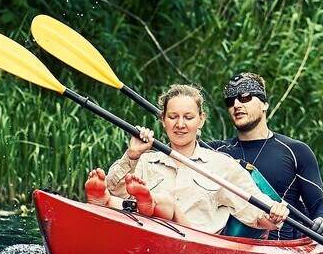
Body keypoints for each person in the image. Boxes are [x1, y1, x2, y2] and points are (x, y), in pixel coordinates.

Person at [100, 83, 289, 234]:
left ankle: (157, 203)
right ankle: (101, 199)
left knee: (165, 203)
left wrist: (274, 214)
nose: (180, 124)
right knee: (111, 201)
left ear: (201, 120)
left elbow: (257, 213)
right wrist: (132, 155)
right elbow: (115, 191)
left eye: (188, 117)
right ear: (163, 119)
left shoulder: (222, 166)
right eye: (173, 117)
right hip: (148, 238)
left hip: (196, 246)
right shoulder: (144, 162)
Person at [208, 72, 323, 240]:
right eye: (230, 101)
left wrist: (322, 222)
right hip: (229, 246)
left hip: (281, 251)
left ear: (264, 104)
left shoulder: (296, 151)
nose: (236, 104)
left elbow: (320, 204)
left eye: (245, 97)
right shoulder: (215, 151)